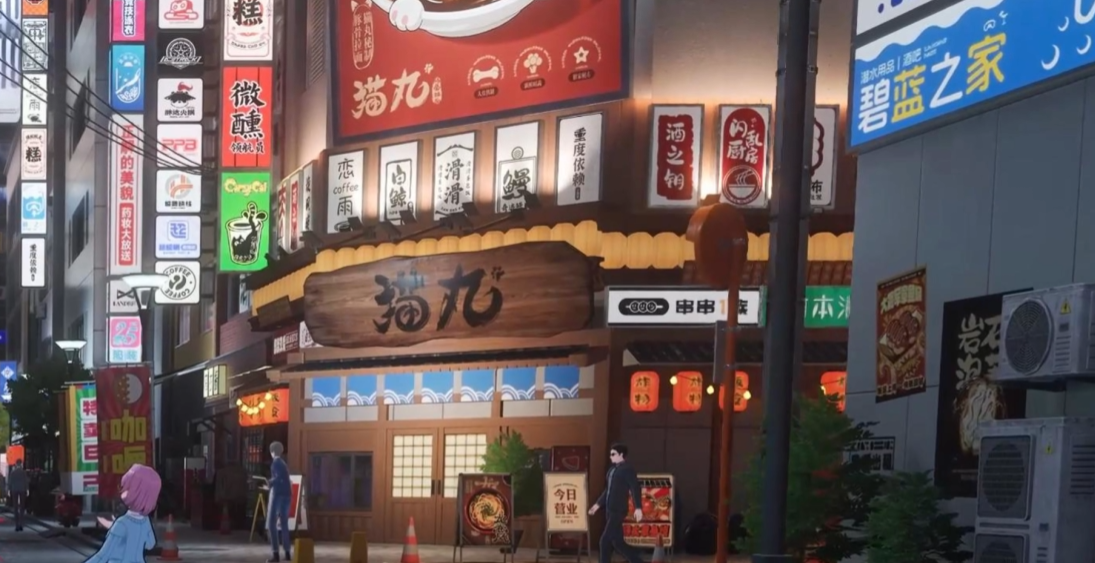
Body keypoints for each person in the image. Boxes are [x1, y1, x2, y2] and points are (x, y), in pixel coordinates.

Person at [84, 464, 159, 563]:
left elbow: (103, 555)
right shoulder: (145, 520)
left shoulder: (122, 523)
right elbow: (150, 544)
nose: (123, 490)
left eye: (127, 488)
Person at [588, 443, 645, 563]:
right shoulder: (612, 470)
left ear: (621, 455)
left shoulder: (627, 469)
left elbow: (635, 488)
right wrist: (597, 505)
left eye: (613, 454)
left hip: (618, 510)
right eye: (610, 454)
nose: (611, 457)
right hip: (609, 509)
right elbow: (608, 490)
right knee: (617, 542)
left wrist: (638, 507)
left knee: (604, 541)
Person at [267, 441, 292, 563]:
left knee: (271, 523)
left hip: (277, 494)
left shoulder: (275, 463)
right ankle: (287, 552)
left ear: (272, 451)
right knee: (284, 523)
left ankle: (275, 553)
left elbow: (278, 478)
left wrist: (270, 482)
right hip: (287, 495)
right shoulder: (283, 463)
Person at [9, 459, 26, 531]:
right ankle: (21, 524)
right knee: (22, 507)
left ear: (16, 464)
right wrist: (27, 489)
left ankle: (16, 525)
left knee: (15, 507)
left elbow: (10, 482)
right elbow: (26, 481)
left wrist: (9, 490)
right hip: (22, 489)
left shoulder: (13, 472)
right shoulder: (23, 472)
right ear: (21, 464)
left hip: (14, 489)